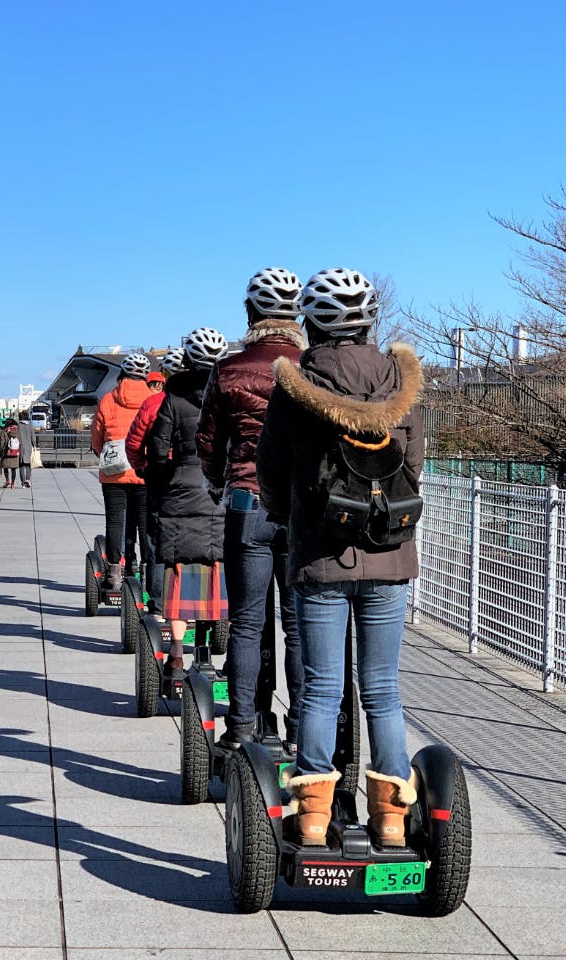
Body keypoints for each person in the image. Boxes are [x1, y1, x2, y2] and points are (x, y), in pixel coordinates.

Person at [257, 268, 424, 848]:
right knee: (383, 689)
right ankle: (393, 820)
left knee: (323, 687)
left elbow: (271, 469)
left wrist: (282, 512)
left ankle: (311, 818)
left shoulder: (295, 387)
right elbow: (415, 466)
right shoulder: (401, 380)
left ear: (310, 322)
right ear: (369, 320)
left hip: (322, 560)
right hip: (391, 557)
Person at [197, 267, 308, 752]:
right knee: (299, 624)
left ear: (250, 313)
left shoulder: (228, 369)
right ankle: (304, 732)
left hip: (248, 502)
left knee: (246, 622)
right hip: (302, 508)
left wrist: (218, 480)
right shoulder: (313, 367)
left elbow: (209, 440)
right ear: (297, 315)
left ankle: (241, 728)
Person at [145, 332, 225, 678]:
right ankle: (209, 653)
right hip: (219, 489)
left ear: (187, 363)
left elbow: (157, 452)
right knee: (218, 570)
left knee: (180, 574)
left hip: (180, 489)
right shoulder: (226, 396)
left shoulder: (172, 400)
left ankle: (176, 655)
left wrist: (163, 485)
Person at [127, 352, 185, 620]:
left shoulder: (153, 404)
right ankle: (192, 603)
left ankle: (159, 603)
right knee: (193, 540)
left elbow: (134, 442)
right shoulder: (203, 401)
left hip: (160, 479)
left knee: (156, 540)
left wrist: (141, 468)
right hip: (193, 480)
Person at [90, 353, 153, 593]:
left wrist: (102, 453)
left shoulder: (108, 399)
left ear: (122, 375)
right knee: (146, 523)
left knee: (115, 521)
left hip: (114, 470)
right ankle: (148, 573)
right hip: (144, 470)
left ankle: (115, 572)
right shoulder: (153, 398)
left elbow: (97, 436)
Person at [0, 419, 22, 487]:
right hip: (15, 452)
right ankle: (13, 483)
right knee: (13, 469)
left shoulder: (4, 432)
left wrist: (0, 451)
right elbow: (20, 442)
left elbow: (1, 443)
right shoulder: (17, 432)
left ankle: (7, 480)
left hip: (6, 453)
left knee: (5, 467)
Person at [15, 413, 36, 487]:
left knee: (21, 465)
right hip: (29, 447)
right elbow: (33, 437)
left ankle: (23, 481)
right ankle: (27, 479)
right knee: (28, 464)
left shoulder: (18, 426)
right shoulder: (30, 426)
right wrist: (34, 446)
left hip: (20, 447)